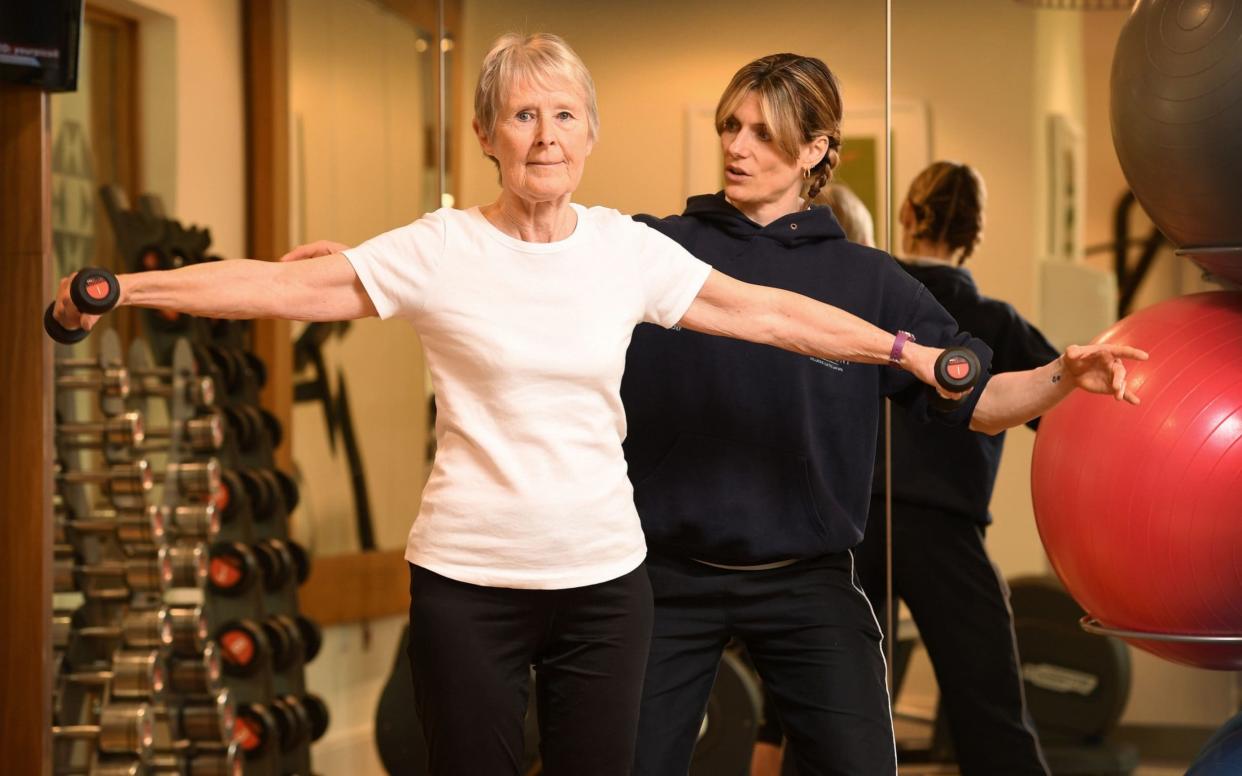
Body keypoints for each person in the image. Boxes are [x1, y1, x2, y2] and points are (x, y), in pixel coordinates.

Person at [50, 34, 1010, 776]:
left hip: (604, 583)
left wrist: (905, 351)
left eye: (563, 115)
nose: (544, 136)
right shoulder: (439, 247)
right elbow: (277, 286)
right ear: (486, 136)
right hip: (469, 580)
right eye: (520, 116)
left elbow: (771, 316)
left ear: (591, 134)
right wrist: (127, 293)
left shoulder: (625, 252)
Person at [617, 54, 1144, 776]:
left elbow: (982, 404)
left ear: (813, 150)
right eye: (730, 127)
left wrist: (1061, 375)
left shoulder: (867, 280)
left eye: (763, 135)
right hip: (668, 576)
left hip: (804, 580)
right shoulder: (657, 249)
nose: (737, 148)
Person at [854, 161, 1059, 776]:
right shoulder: (996, 321)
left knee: (841, 716)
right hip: (945, 534)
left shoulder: (872, 297)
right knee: (991, 716)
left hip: (854, 525)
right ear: (976, 233)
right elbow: (1063, 416)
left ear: (906, 217)